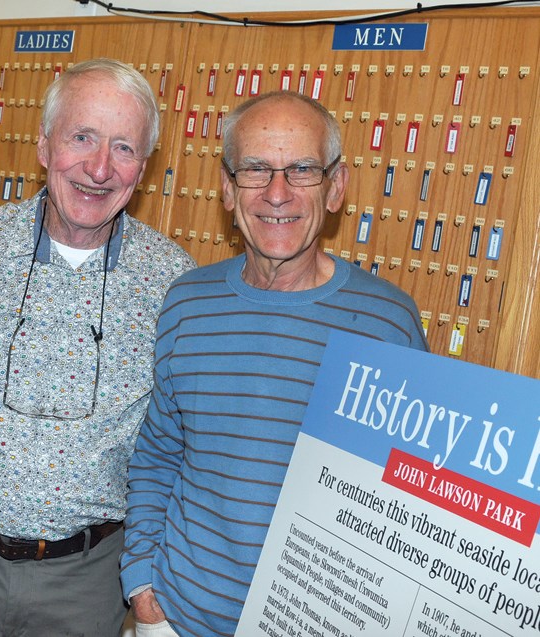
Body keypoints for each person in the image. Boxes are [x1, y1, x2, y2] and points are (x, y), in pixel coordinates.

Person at [0, 58, 195, 637]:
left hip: (87, 578)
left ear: (143, 169)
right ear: (45, 147)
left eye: (123, 148)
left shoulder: (172, 280)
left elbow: (180, 427)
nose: (99, 168)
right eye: (82, 138)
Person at [120, 91, 429, 637]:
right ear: (226, 187)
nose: (277, 193)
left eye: (302, 170)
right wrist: (145, 591)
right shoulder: (187, 303)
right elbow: (158, 455)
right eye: (256, 169)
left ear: (335, 188)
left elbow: (410, 500)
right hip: (178, 621)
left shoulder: (387, 323)